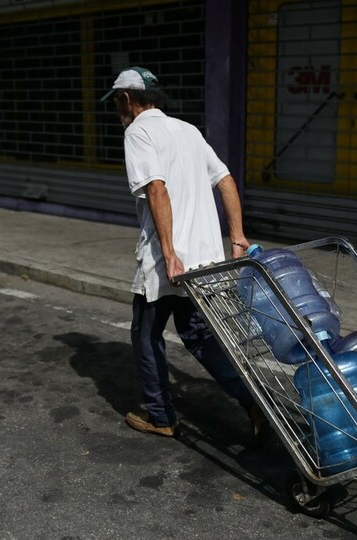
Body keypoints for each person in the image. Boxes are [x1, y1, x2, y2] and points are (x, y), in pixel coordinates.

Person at [101, 66, 264, 439]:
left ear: (126, 98)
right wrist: (237, 236)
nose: (116, 110)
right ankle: (251, 400)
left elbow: (155, 188)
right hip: (205, 260)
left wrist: (169, 252)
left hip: (167, 262)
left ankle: (161, 417)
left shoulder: (137, 132)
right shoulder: (188, 130)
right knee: (197, 335)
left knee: (146, 335)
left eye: (115, 102)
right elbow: (225, 179)